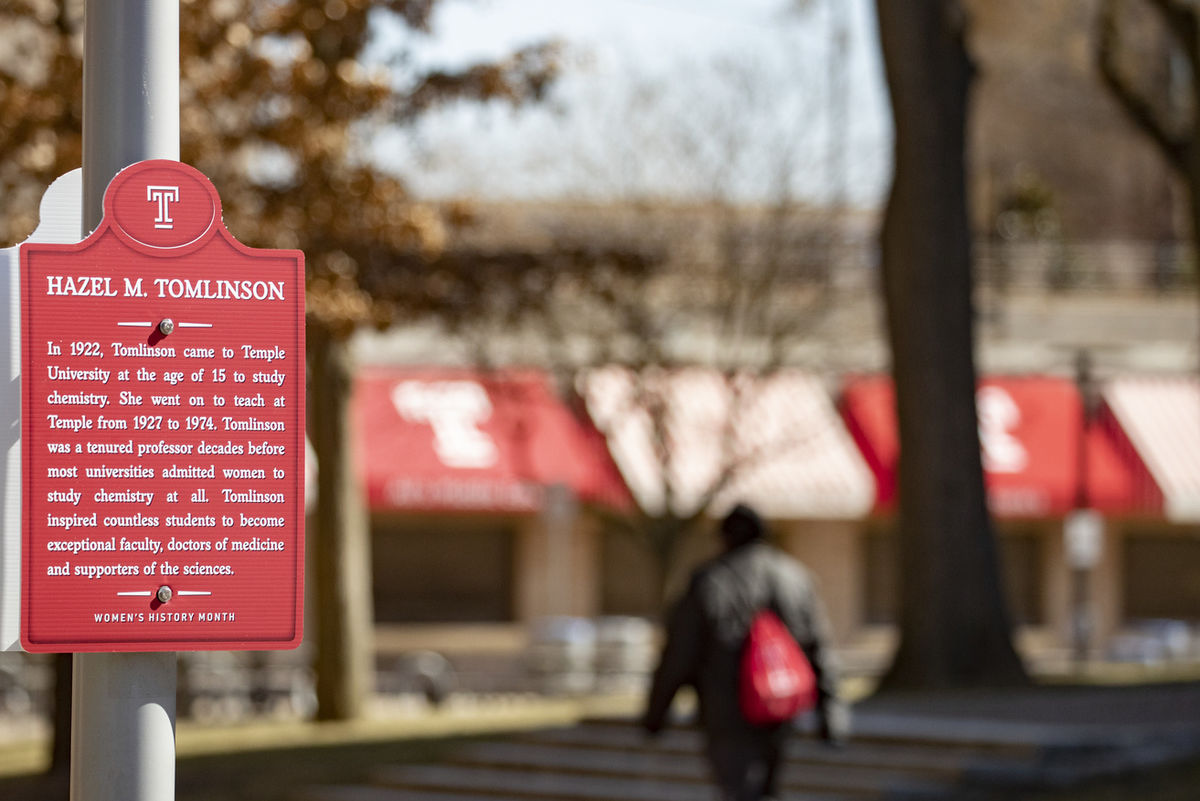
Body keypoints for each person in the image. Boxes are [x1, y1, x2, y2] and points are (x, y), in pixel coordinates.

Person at [641, 503, 847, 801]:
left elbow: (679, 654)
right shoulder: (794, 578)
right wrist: (831, 716)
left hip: (726, 708)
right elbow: (819, 649)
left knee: (737, 788)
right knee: (766, 788)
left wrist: (656, 714)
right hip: (780, 705)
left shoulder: (708, 580)